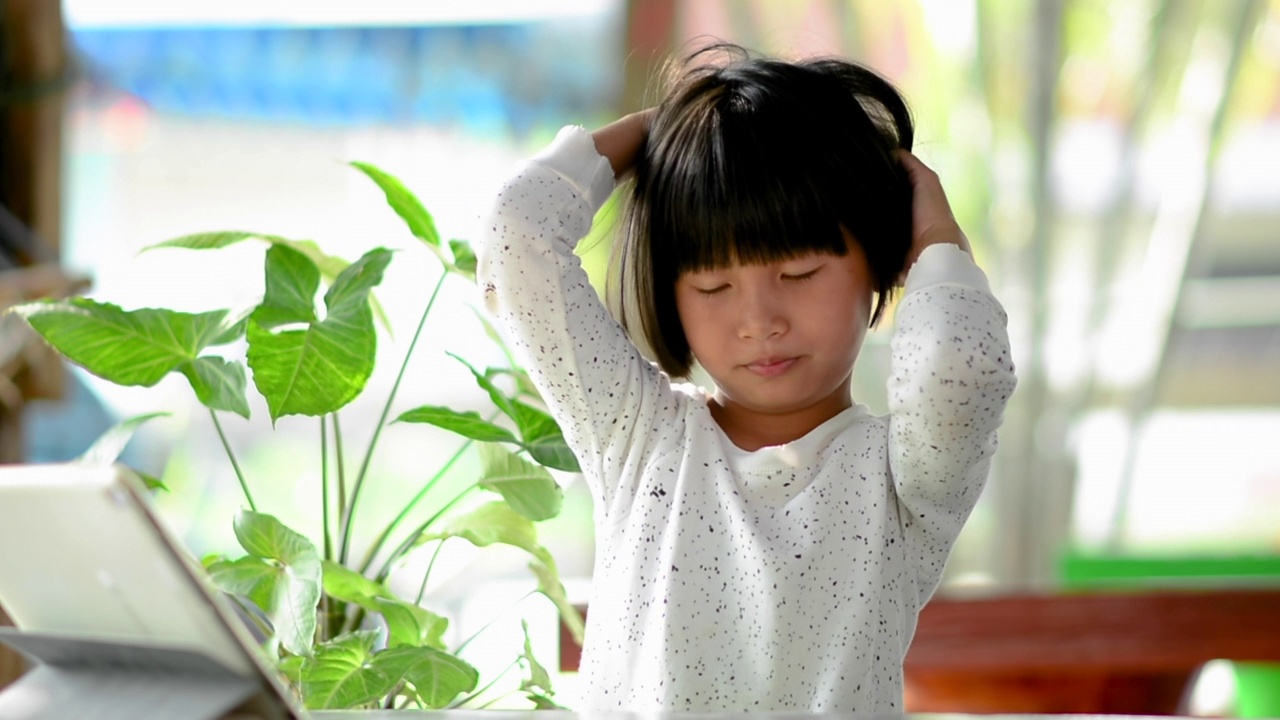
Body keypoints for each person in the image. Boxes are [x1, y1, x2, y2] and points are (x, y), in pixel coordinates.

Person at [476, 43, 1016, 713]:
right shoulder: (635, 434)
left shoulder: (905, 483)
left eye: (798, 275)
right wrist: (666, 132)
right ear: (670, 293)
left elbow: (960, 367)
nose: (758, 320)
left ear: (880, 262)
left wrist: (934, 232)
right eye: (713, 285)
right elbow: (515, 238)